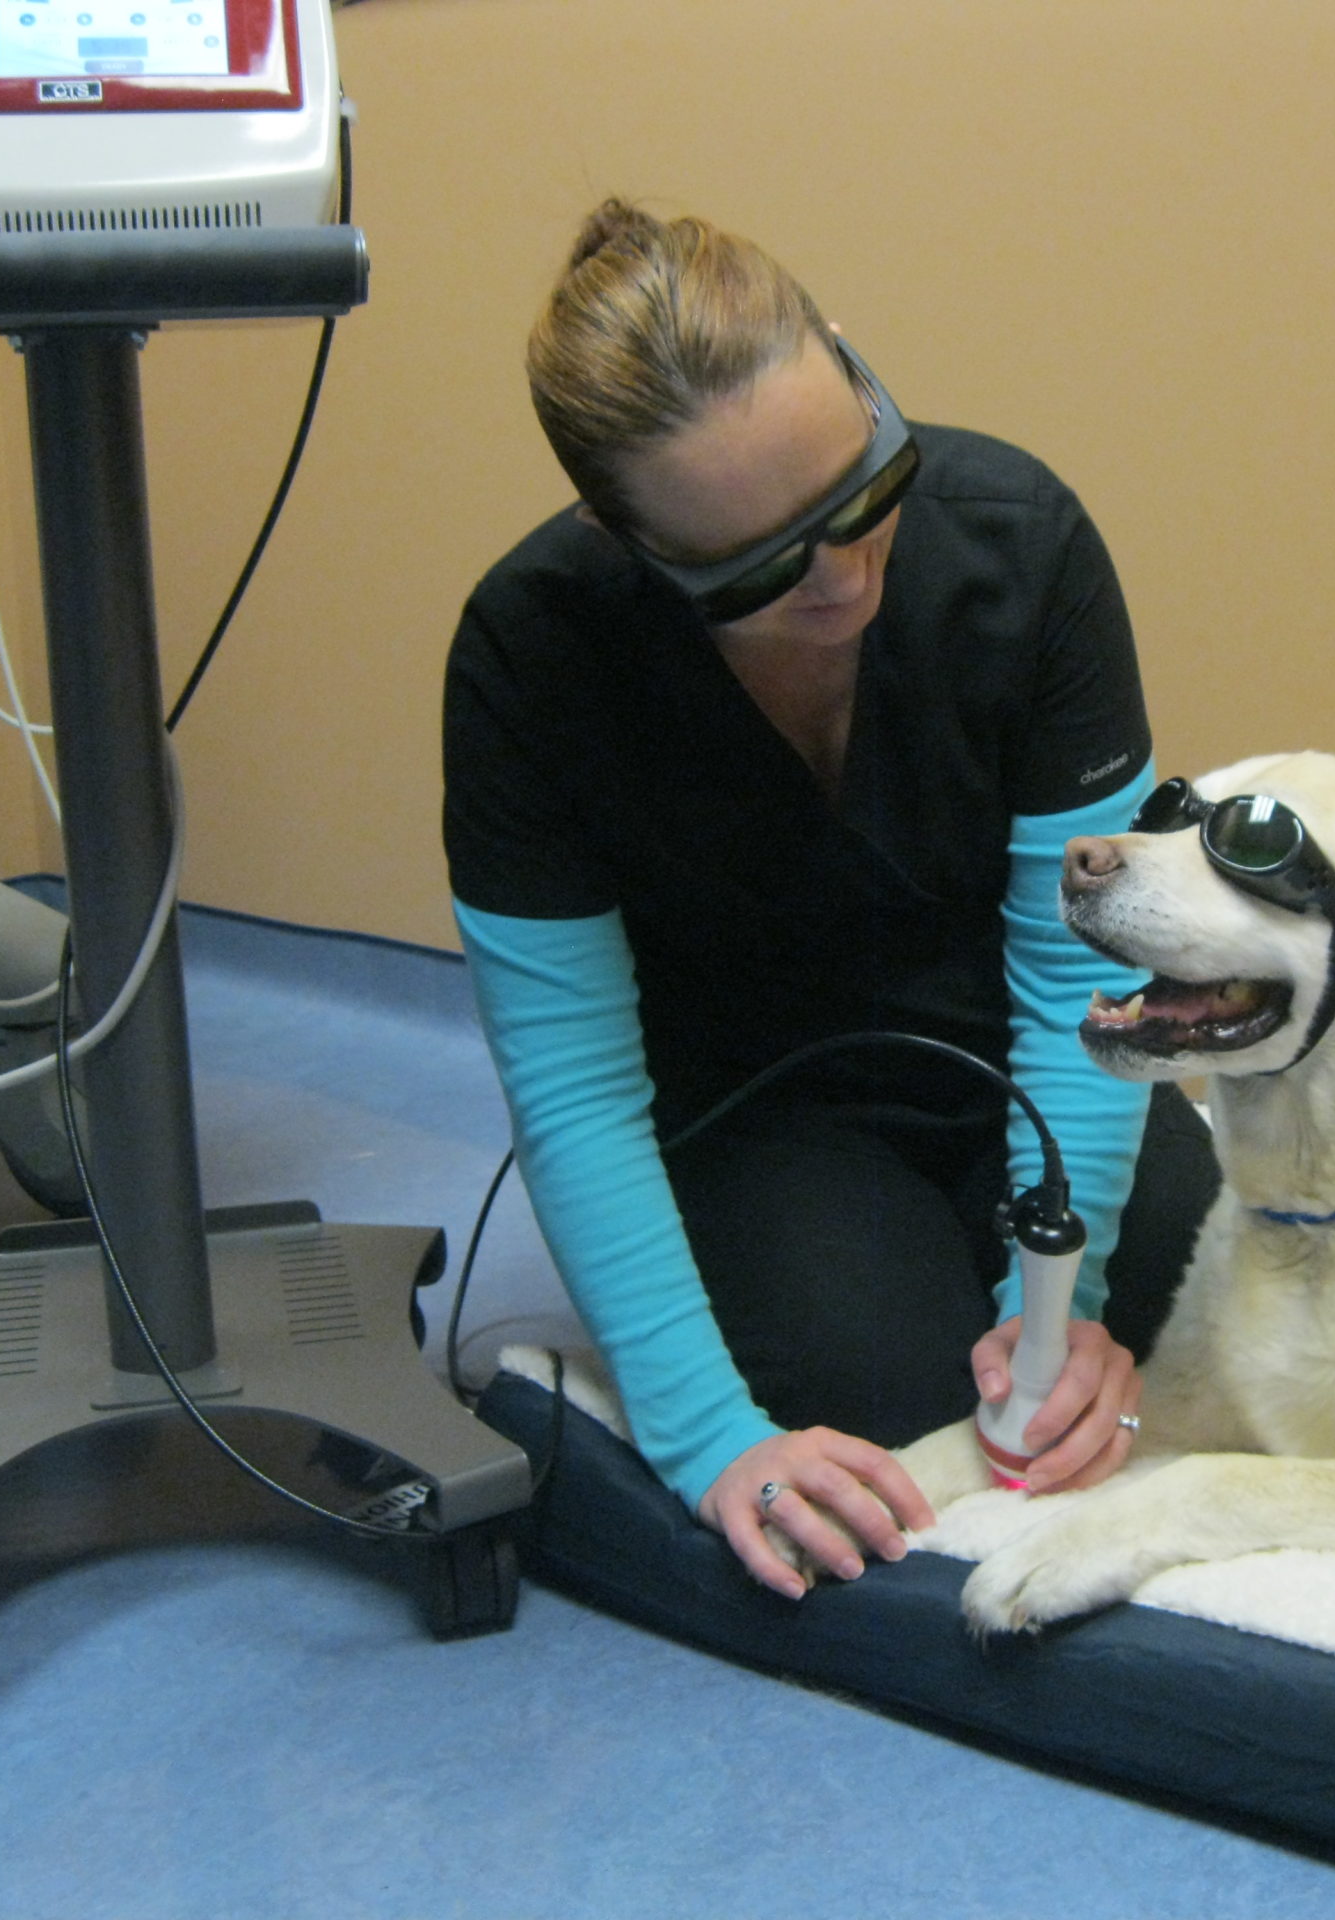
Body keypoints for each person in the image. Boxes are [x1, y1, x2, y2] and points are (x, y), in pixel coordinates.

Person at [443, 198, 1218, 1599]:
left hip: (1009, 1055)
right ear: (624, 542)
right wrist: (702, 1437)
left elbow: (1074, 973)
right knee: (879, 1396)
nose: (842, 577)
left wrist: (1065, 1313)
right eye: (753, 571)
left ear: (857, 376)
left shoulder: (1023, 546)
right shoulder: (529, 658)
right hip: (761, 1102)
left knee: (1190, 1283)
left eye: (864, 490)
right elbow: (572, 1089)